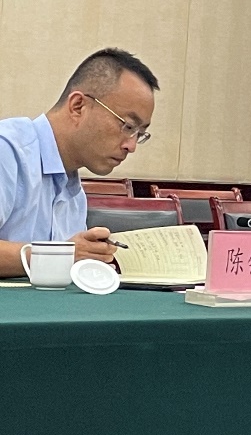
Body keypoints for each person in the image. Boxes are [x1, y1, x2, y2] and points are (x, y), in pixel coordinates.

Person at [0, 48, 158, 278]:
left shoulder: (74, 193)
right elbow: (65, 257)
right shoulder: (7, 151)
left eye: (140, 134)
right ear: (78, 106)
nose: (131, 146)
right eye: (128, 126)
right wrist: (61, 256)